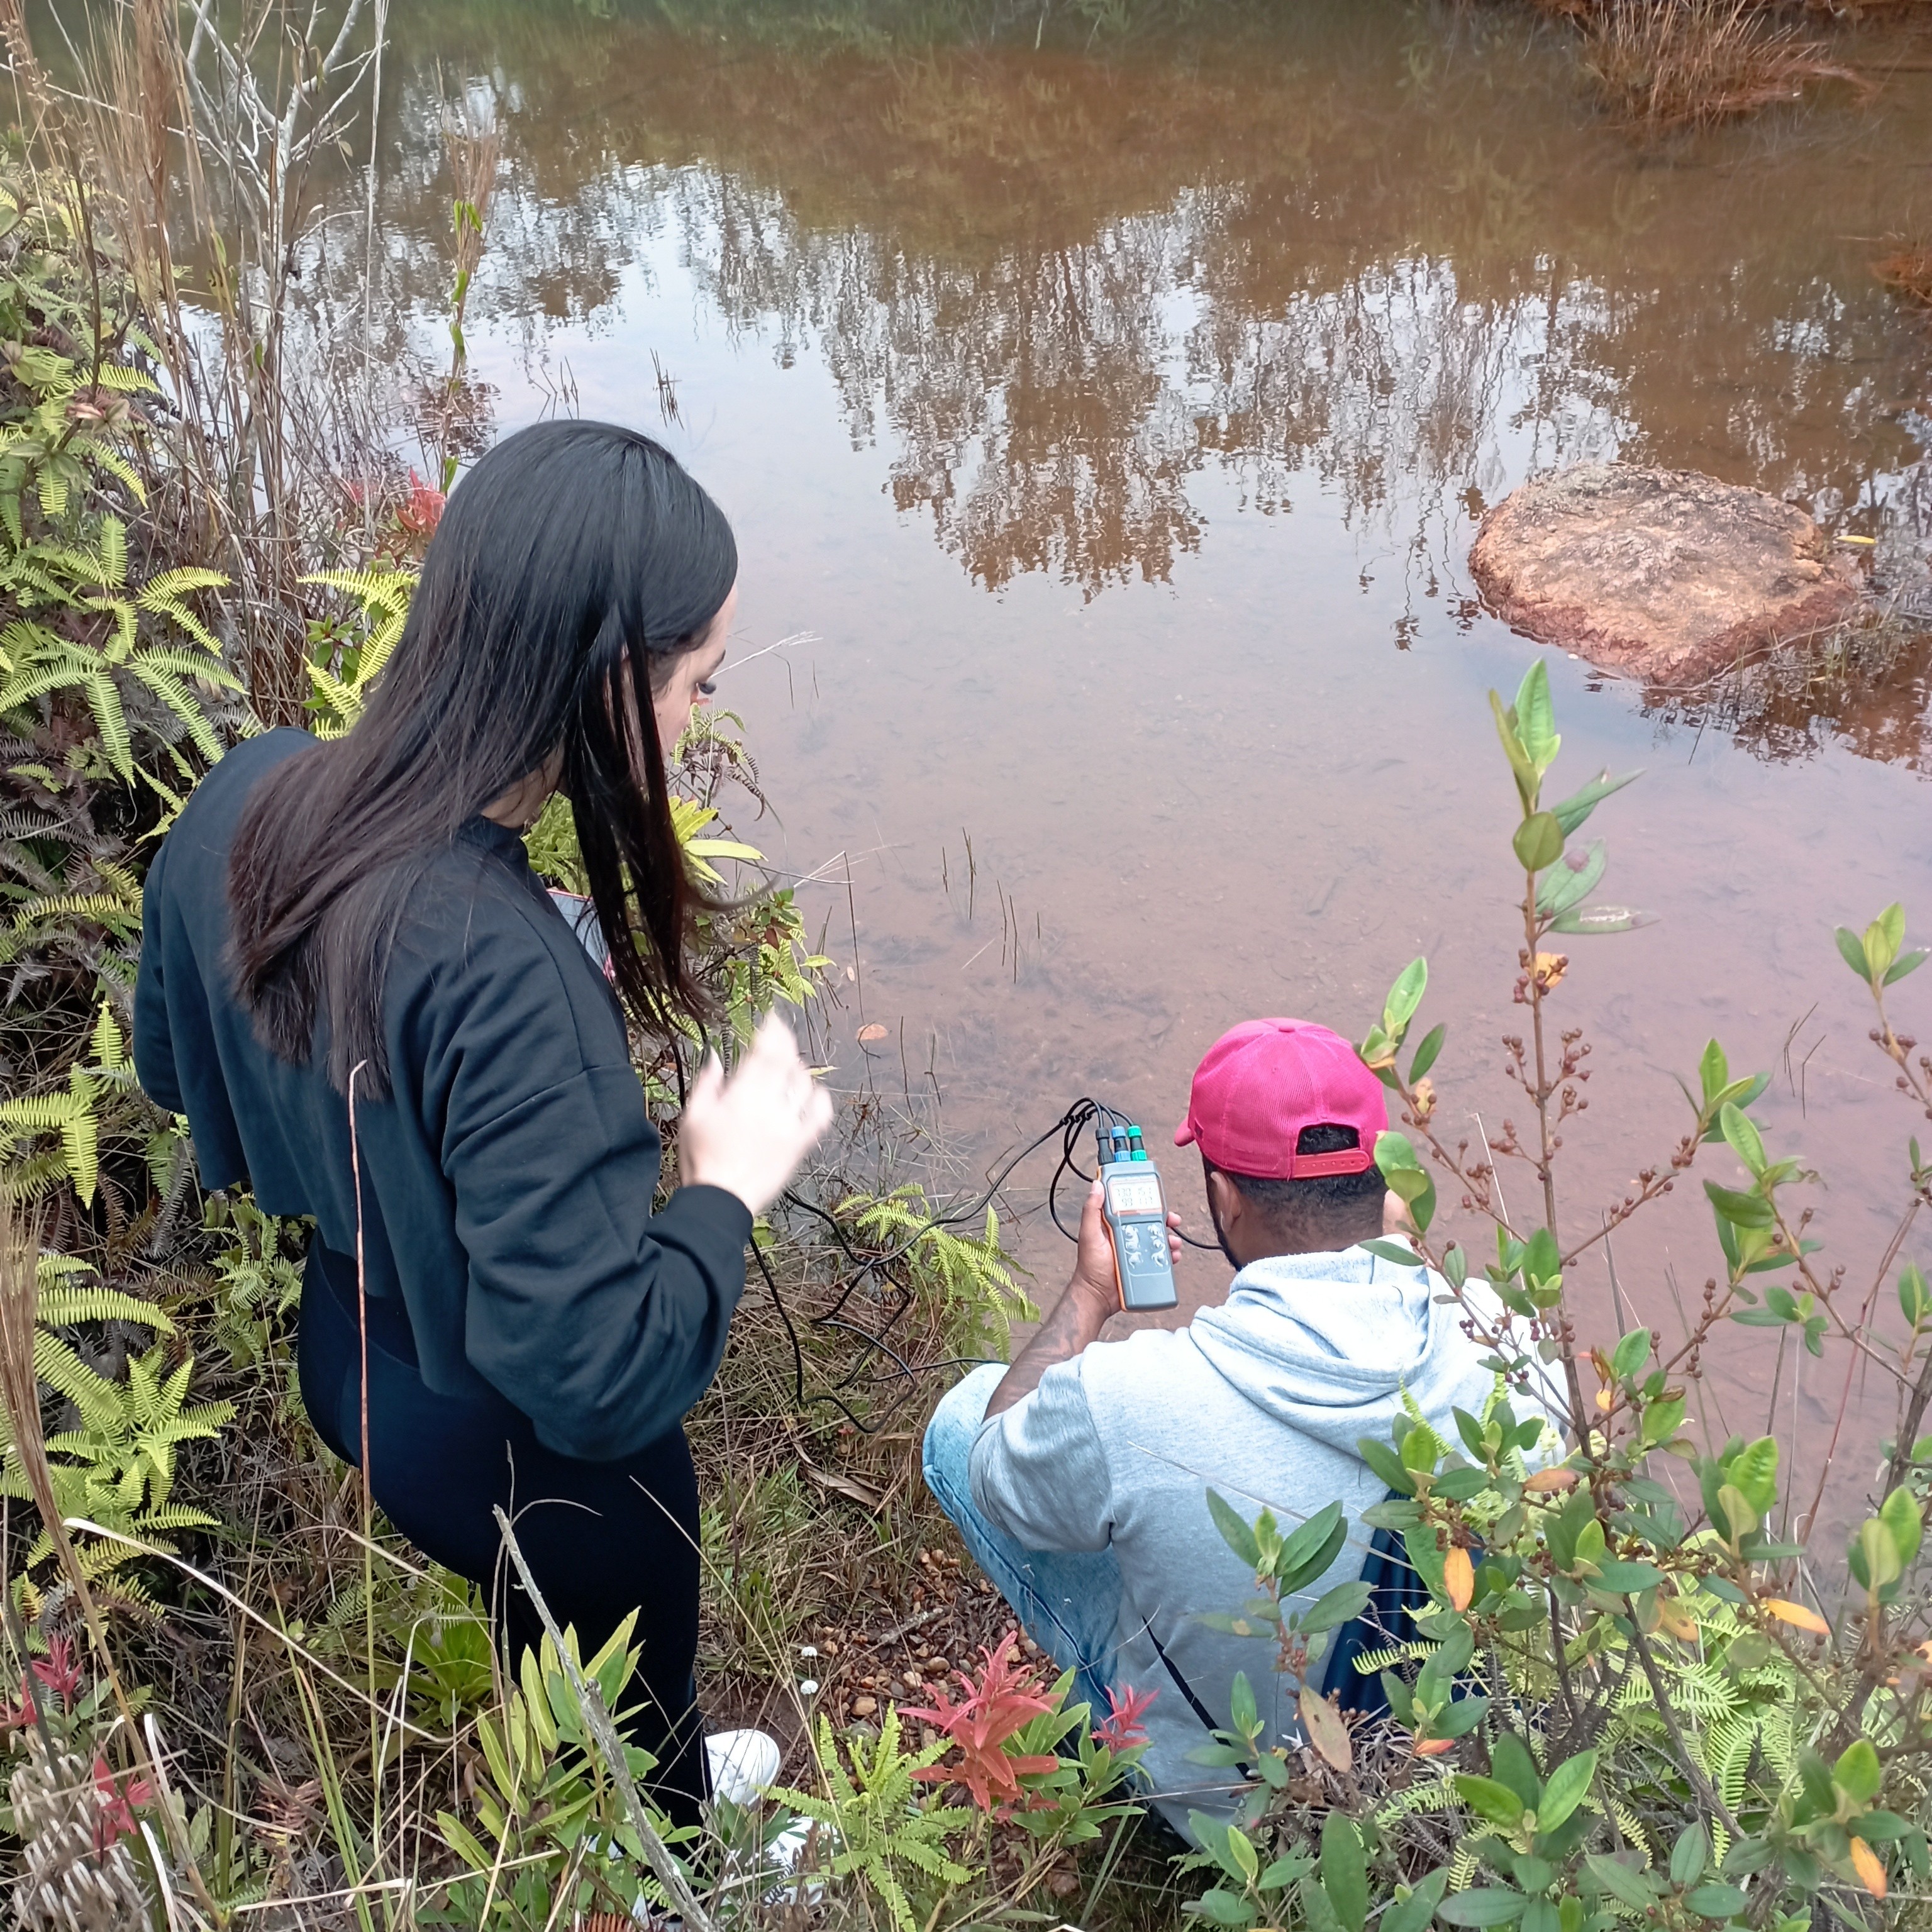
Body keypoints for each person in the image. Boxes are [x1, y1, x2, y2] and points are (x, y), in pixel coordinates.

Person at [134, 421, 833, 1825]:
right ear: (603, 685)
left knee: (550, 1638)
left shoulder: (247, 797)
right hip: (524, 1448)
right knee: (626, 1664)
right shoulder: (506, 973)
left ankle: (604, 1784)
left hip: (356, 1365)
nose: (697, 720)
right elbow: (597, 1381)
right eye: (694, 682)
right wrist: (722, 1190)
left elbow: (173, 1071)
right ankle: (674, 1855)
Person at [922, 1018, 1533, 1839]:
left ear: (1225, 1197)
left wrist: (1091, 1297)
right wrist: (1408, 1265)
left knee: (968, 1416)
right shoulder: (1509, 1346)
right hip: (1441, 1795)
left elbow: (992, 1463)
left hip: (1236, 1819)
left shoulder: (1133, 1395)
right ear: (1386, 1181)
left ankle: (1143, 1766)